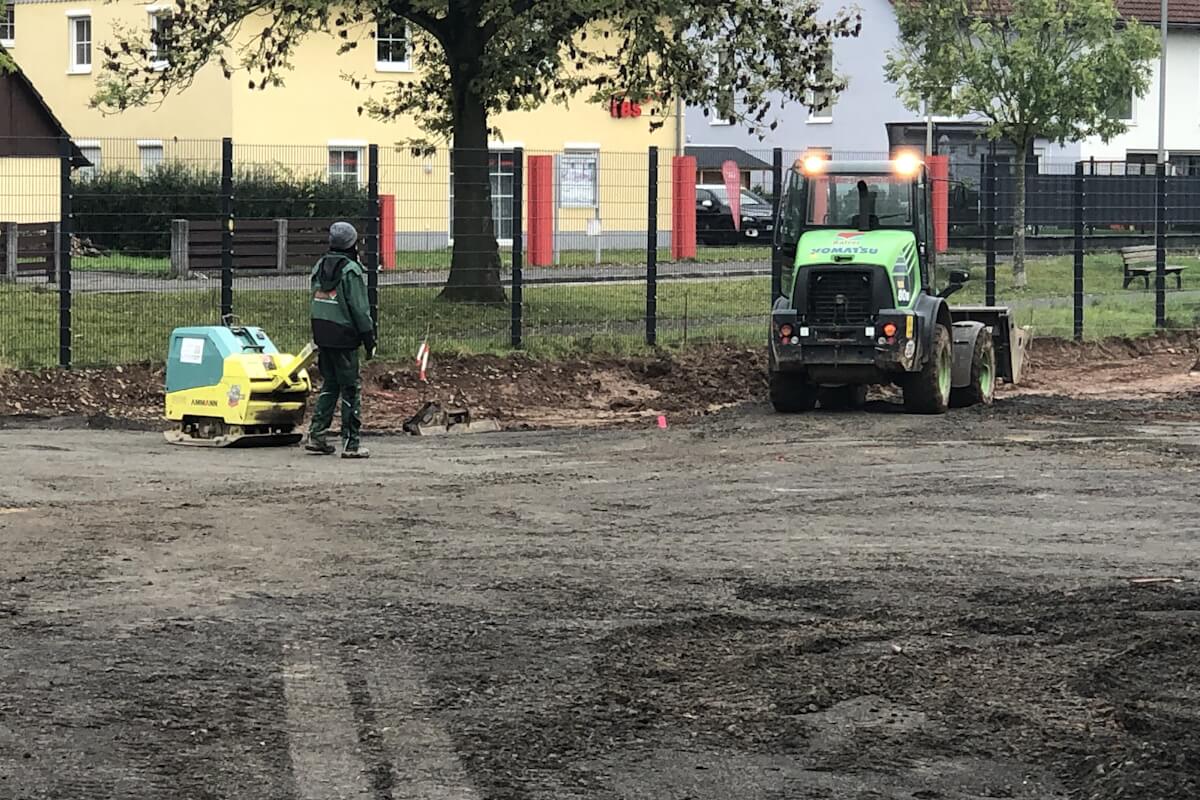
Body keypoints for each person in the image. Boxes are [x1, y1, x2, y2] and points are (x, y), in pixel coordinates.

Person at [305, 221, 376, 459]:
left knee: (330, 384)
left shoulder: (319, 266)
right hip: (344, 336)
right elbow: (359, 308)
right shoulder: (351, 271)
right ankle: (351, 444)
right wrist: (369, 338)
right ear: (352, 244)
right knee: (350, 388)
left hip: (322, 333)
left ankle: (317, 435)